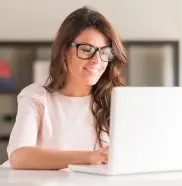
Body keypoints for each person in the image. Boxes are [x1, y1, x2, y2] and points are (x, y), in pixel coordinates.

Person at [5, 6, 127, 170]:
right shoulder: (37, 97)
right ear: (64, 51)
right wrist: (90, 157)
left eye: (105, 52)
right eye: (86, 49)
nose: (97, 60)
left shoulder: (116, 101)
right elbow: (19, 156)